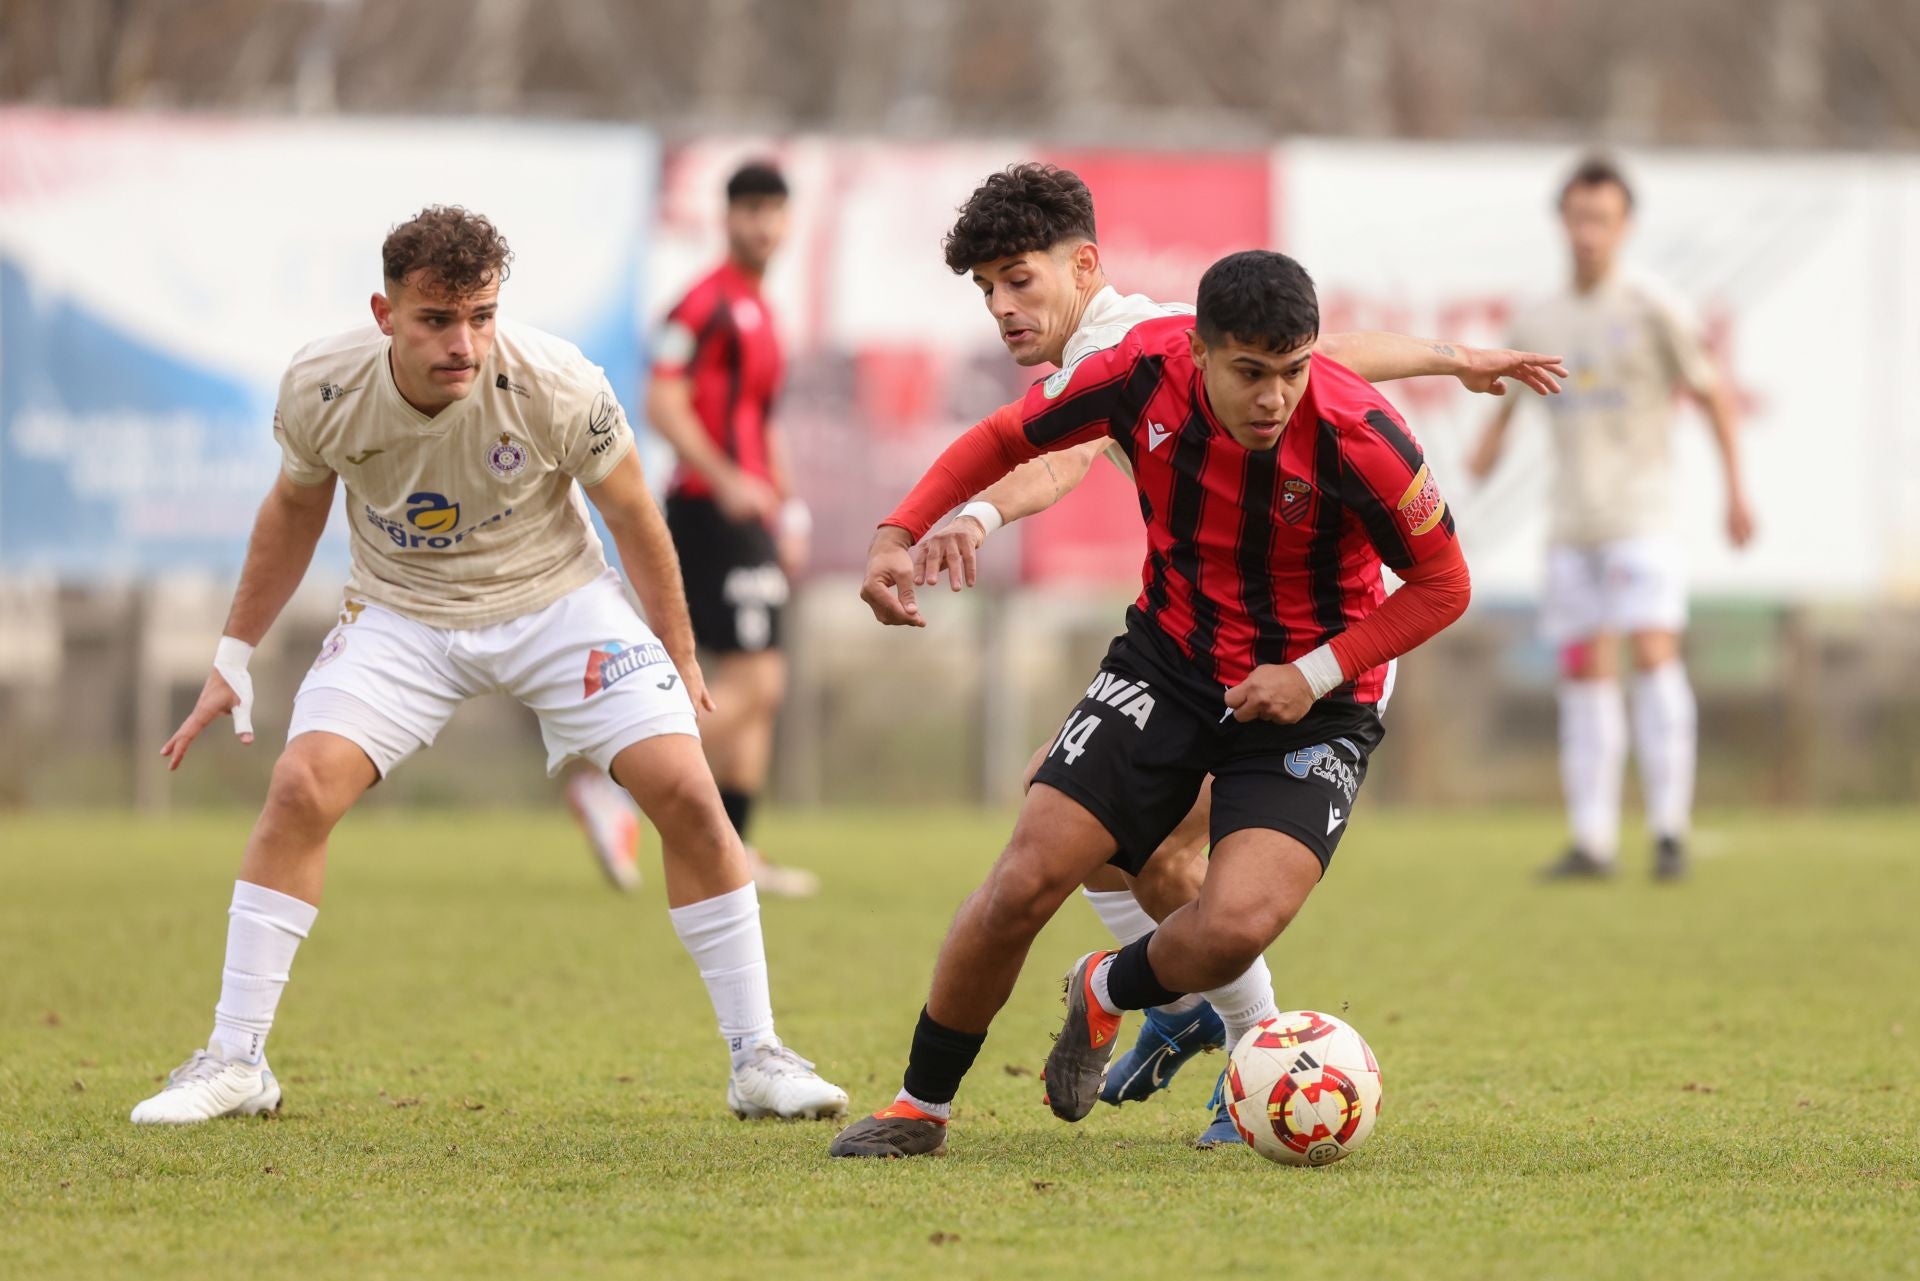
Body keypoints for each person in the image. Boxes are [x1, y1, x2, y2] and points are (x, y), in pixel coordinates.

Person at [131, 206, 846, 1125]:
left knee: (687, 791)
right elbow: (292, 511)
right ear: (386, 314)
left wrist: (673, 645)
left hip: (559, 604)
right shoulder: (321, 386)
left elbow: (632, 513)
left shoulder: (556, 382)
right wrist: (233, 654)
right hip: (402, 612)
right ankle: (234, 1060)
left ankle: (759, 1058)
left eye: (481, 316)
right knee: (301, 787)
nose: (463, 342)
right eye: (436, 319)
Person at [906, 163, 1563, 1143]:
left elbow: (1064, 453)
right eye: (986, 288)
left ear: (1081, 265)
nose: (1002, 307)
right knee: (1107, 846)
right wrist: (1452, 353)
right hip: (1188, 647)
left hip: (1316, 663)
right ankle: (1190, 1015)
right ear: (1215, 356)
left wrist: (977, 512)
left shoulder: (1135, 350)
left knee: (1190, 875)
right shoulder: (1162, 349)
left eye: (1019, 279)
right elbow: (1322, 353)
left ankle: (1188, 1011)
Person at [1467, 156, 1754, 883]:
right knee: (1584, 671)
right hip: (1572, 523)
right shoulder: (1541, 317)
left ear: (1624, 225)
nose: (1589, 232)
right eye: (1578, 217)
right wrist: (1487, 448)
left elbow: (1714, 391)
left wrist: (1736, 491)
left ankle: (1668, 830)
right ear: (1562, 221)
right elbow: (1509, 401)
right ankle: (1592, 839)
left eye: (1603, 218)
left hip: (1640, 516)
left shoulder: (1653, 307)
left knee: (1653, 653)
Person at [647, 160, 817, 899]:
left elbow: (763, 422)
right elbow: (662, 403)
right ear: (726, 218)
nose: (762, 224)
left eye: (773, 210)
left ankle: (737, 849)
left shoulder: (763, 309)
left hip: (750, 513)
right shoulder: (700, 304)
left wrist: (790, 508)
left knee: (755, 682)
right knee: (758, 682)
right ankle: (626, 778)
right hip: (707, 507)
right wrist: (725, 481)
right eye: (749, 209)